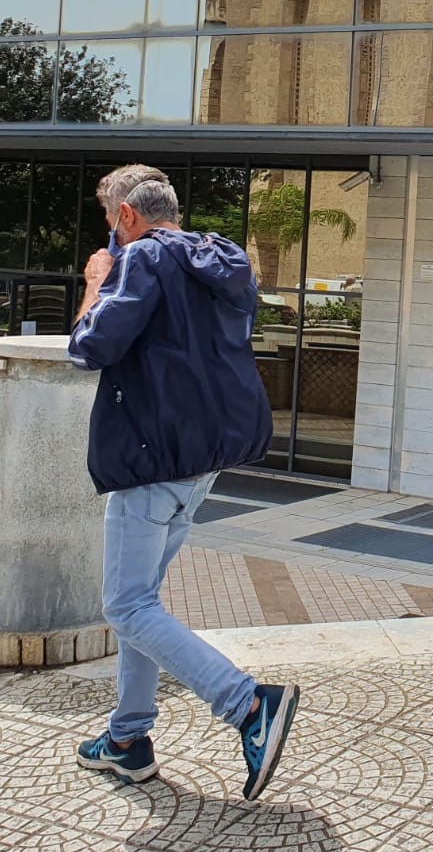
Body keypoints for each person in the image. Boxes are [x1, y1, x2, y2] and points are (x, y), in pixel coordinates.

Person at [67, 164, 299, 801]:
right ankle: (127, 739)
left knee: (126, 606)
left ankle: (248, 705)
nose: (112, 233)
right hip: (202, 461)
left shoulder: (141, 258)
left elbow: (90, 347)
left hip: (152, 458)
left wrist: (96, 283)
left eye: (111, 221)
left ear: (128, 217)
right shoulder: (221, 258)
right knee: (142, 602)